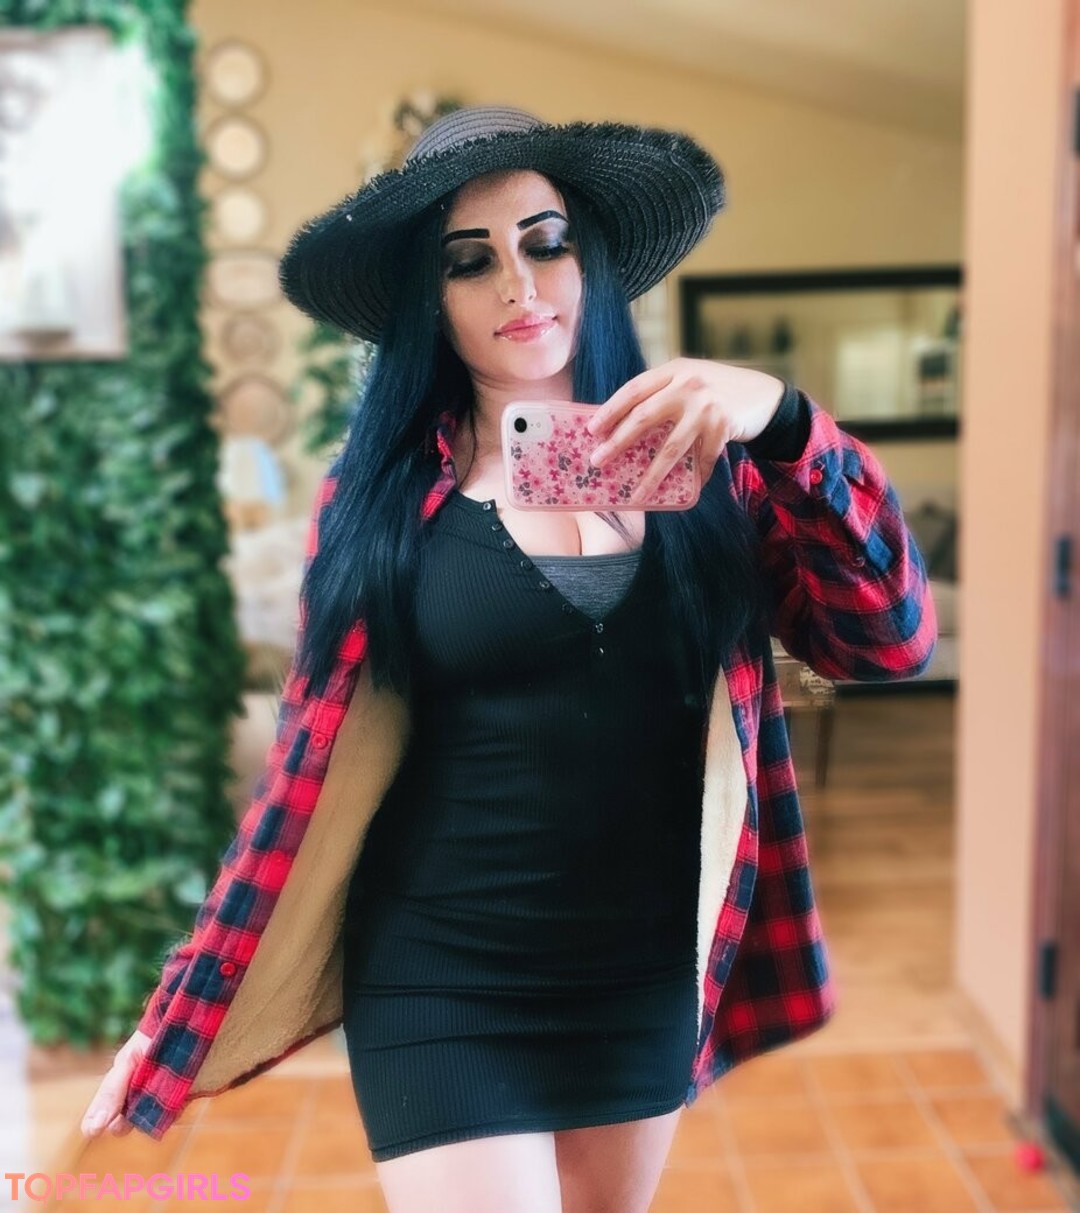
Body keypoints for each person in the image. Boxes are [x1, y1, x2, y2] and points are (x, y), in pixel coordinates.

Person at [80, 105, 937, 1213]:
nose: (520, 288)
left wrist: (782, 421)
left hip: (641, 968)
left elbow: (889, 640)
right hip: (442, 969)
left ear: (591, 257)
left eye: (547, 242)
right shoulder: (382, 503)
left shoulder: (715, 471)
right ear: (428, 299)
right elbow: (303, 770)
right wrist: (179, 1008)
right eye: (469, 261)